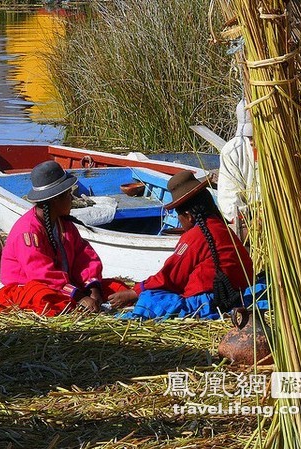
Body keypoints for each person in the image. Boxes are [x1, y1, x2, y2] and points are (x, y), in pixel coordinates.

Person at [0, 160, 128, 316]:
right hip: (27, 287)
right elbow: (42, 275)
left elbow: (84, 256)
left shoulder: (63, 223)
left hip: (65, 285)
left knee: (118, 289)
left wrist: (93, 288)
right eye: (69, 195)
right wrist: (79, 297)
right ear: (56, 199)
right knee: (46, 300)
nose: (72, 200)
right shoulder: (28, 232)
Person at [107, 170, 256, 320]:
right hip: (238, 294)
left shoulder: (196, 236)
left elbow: (170, 276)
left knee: (150, 298)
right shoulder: (222, 228)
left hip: (210, 301)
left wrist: (135, 292)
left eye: (178, 216)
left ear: (188, 216)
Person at [217, 98, 258, 240]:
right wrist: (248, 221)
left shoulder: (283, 148)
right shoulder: (233, 150)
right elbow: (229, 198)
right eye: (249, 136)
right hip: (251, 224)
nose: (252, 140)